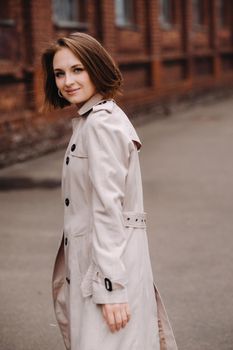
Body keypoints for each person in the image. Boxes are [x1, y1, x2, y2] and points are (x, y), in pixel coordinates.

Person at [41, 32, 178, 350]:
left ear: (96, 68)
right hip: (105, 262)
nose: (67, 81)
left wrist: (111, 288)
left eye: (78, 69)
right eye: (59, 73)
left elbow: (107, 208)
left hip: (104, 268)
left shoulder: (101, 125)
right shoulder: (96, 120)